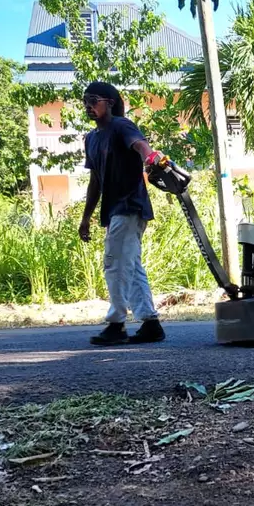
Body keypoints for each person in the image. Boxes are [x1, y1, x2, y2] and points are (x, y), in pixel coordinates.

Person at [79, 81, 165, 346]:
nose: (89, 106)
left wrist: (151, 158)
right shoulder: (91, 138)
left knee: (115, 262)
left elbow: (140, 145)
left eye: (94, 100)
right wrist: (86, 218)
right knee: (131, 266)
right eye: (85, 101)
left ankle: (116, 324)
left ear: (110, 102)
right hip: (114, 209)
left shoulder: (121, 126)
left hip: (130, 205)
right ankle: (150, 324)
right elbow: (95, 181)